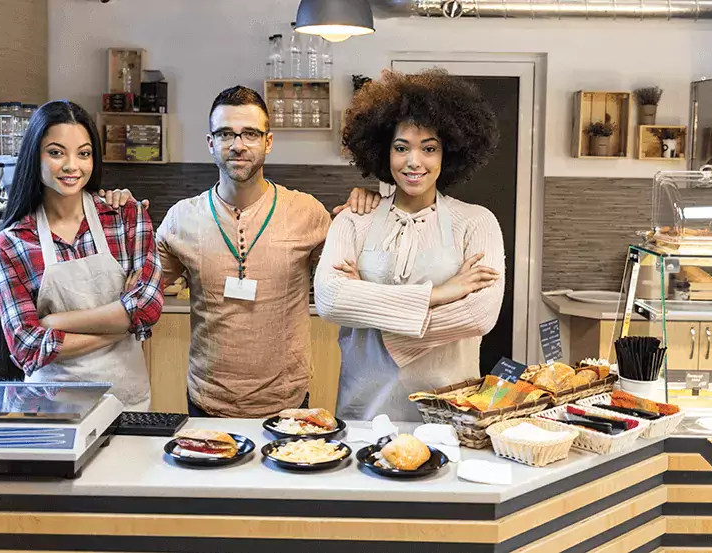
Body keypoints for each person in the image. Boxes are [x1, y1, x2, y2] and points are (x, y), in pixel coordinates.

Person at [156, 86, 378, 418]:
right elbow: (139, 291)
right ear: (210, 143)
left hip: (286, 401)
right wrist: (116, 216)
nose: (237, 145)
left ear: (268, 142)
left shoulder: (306, 212)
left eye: (250, 134)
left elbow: (355, 280)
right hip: (208, 401)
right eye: (225, 134)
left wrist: (369, 209)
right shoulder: (181, 218)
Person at [314, 69, 505, 422]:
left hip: (449, 409)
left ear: (449, 153)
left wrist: (371, 308)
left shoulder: (477, 223)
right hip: (363, 409)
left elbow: (479, 314)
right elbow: (329, 300)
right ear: (384, 152)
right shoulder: (353, 220)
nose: (414, 162)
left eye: (428, 148)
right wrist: (440, 293)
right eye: (402, 147)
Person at [0, 100, 163, 410]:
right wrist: (119, 326)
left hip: (123, 403)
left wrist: (55, 322)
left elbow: (147, 308)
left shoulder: (125, 217)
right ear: (35, 156)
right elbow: (26, 347)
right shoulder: (12, 243)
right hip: (48, 409)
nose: (72, 166)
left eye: (84, 154)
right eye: (56, 153)